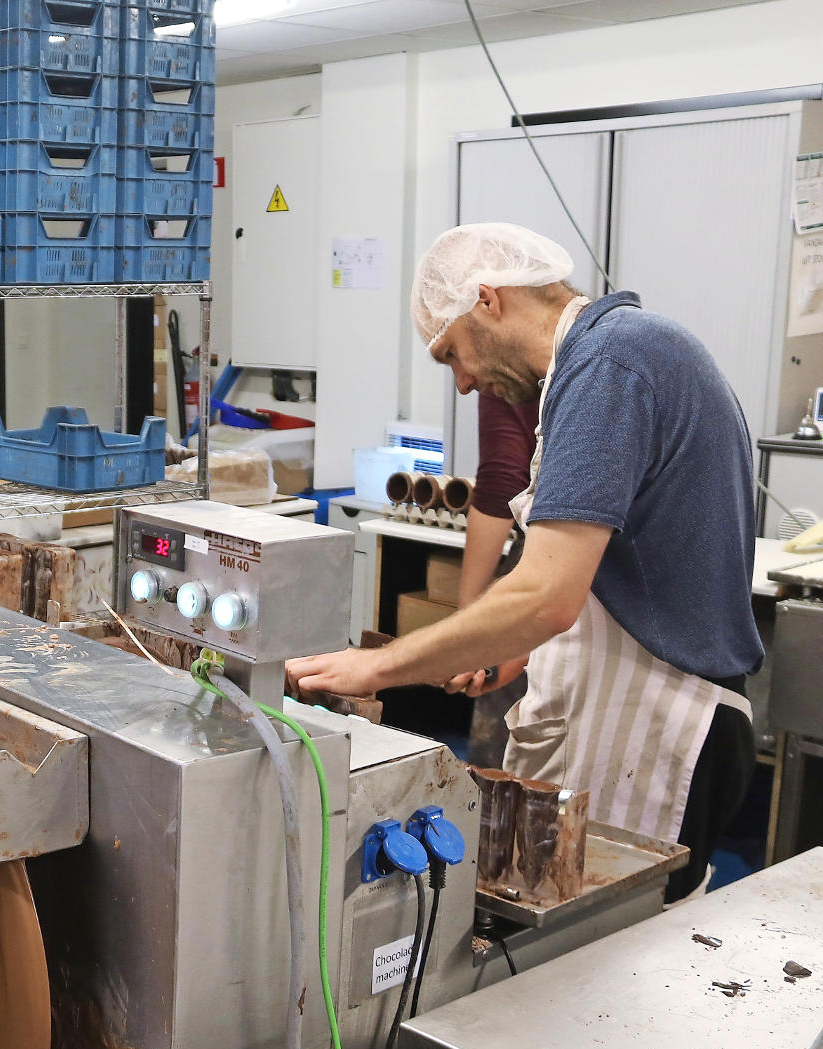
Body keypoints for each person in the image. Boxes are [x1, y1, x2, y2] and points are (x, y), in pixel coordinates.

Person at [290, 222, 760, 902]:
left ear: (488, 300)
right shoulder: (608, 358)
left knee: (613, 958)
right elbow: (599, 567)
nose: (461, 382)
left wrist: (381, 667)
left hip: (655, 724)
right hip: (632, 703)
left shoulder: (609, 366)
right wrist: (512, 649)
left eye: (450, 353)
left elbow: (547, 596)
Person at [460, 392, 538, 768]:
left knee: (505, 774)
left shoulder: (505, 371)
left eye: (452, 355)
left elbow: (502, 480)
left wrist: (465, 625)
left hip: (546, 548)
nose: (463, 383)